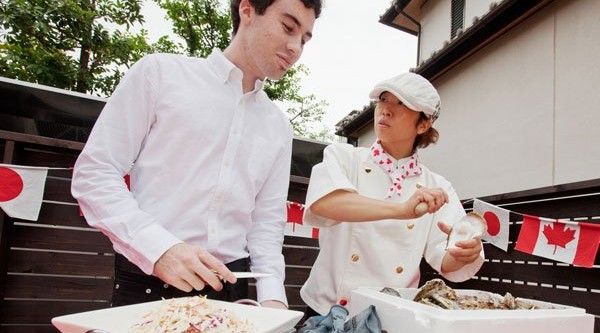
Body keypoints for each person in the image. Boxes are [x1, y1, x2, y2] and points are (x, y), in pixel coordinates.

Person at [71, 0, 321, 309]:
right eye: (288, 27)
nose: (295, 47)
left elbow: (267, 223)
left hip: (232, 292)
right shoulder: (161, 74)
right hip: (147, 281)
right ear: (247, 11)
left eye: (305, 39)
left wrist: (273, 298)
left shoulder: (278, 126)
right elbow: (94, 173)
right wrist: (159, 248)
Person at [299, 72, 485, 316]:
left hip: (392, 316)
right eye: (383, 100)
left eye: (401, 104)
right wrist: (402, 210)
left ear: (423, 123)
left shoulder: (437, 186)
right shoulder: (344, 158)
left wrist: (464, 253)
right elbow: (326, 203)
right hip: (327, 311)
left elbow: (446, 260)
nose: (385, 110)